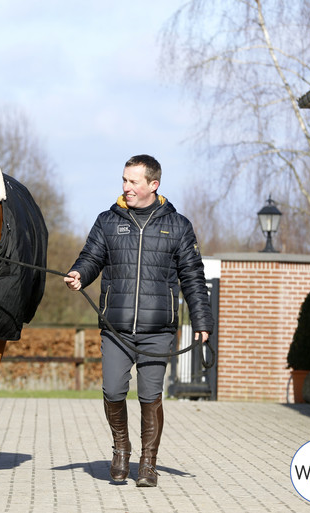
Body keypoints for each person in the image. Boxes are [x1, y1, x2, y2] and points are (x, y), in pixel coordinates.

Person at [64, 154, 213, 487]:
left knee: (150, 396)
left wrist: (203, 322)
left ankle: (148, 462)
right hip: (115, 327)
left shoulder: (178, 226)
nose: (126, 187)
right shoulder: (107, 220)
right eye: (124, 180)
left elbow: (192, 277)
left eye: (133, 181)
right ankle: (121, 449)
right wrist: (79, 274)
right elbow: (91, 257)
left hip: (157, 330)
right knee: (113, 390)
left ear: (153, 185)